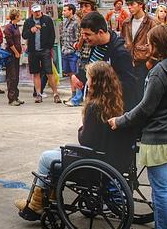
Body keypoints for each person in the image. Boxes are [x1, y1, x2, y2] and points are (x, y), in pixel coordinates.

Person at [109, 25, 167, 229]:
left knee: (161, 189)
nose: (147, 46)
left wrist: (121, 120)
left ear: (158, 44)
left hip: (159, 137)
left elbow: (146, 108)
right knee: (166, 186)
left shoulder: (160, 71)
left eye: (150, 42)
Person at [17, 61, 133, 220]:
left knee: (46, 158)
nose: (87, 82)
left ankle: (36, 204)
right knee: (56, 152)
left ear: (95, 82)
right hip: (111, 160)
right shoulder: (118, 102)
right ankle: (48, 199)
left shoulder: (94, 107)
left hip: (94, 163)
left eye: (89, 78)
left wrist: (81, 125)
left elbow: (86, 141)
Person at [72, 12, 141, 111]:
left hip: (113, 110)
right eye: (82, 34)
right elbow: (92, 69)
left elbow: (128, 85)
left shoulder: (120, 53)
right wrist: (79, 76)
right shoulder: (94, 45)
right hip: (97, 105)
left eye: (87, 34)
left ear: (100, 32)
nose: (84, 38)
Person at [21, 4, 61, 104]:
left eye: (39, 11)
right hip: (33, 51)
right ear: (32, 12)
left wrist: (49, 47)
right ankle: (38, 94)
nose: (38, 13)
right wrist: (31, 30)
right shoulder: (28, 22)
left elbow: (52, 34)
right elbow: (24, 35)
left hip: (45, 50)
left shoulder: (47, 20)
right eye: (35, 11)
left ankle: (55, 94)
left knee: (49, 72)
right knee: (36, 73)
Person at [66, 0, 99, 107]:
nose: (83, 9)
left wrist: (82, 38)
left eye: (86, 6)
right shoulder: (83, 22)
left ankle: (80, 99)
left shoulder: (97, 21)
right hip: (83, 55)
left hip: (94, 56)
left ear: (93, 7)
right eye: (82, 6)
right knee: (80, 78)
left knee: (90, 81)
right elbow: (79, 44)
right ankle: (78, 99)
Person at [121, 0, 157, 88]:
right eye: (128, 5)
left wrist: (150, 62)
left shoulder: (151, 22)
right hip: (129, 63)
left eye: (132, 4)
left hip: (143, 63)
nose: (129, 7)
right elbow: (122, 40)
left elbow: (157, 44)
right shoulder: (126, 23)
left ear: (141, 5)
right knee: (131, 94)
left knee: (143, 92)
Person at [59, 5, 81, 102]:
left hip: (73, 52)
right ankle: (73, 94)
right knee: (70, 74)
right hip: (65, 51)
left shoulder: (76, 22)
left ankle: (78, 96)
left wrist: (76, 49)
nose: (63, 12)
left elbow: (78, 37)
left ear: (71, 11)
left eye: (65, 10)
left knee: (75, 74)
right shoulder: (64, 22)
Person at [3, 9, 24, 106]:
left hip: (17, 54)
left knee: (16, 76)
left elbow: (17, 40)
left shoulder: (16, 26)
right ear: (15, 17)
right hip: (11, 54)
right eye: (19, 15)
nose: (20, 17)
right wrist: (16, 51)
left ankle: (16, 96)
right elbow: (10, 42)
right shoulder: (8, 27)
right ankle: (11, 98)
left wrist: (21, 49)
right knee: (12, 76)